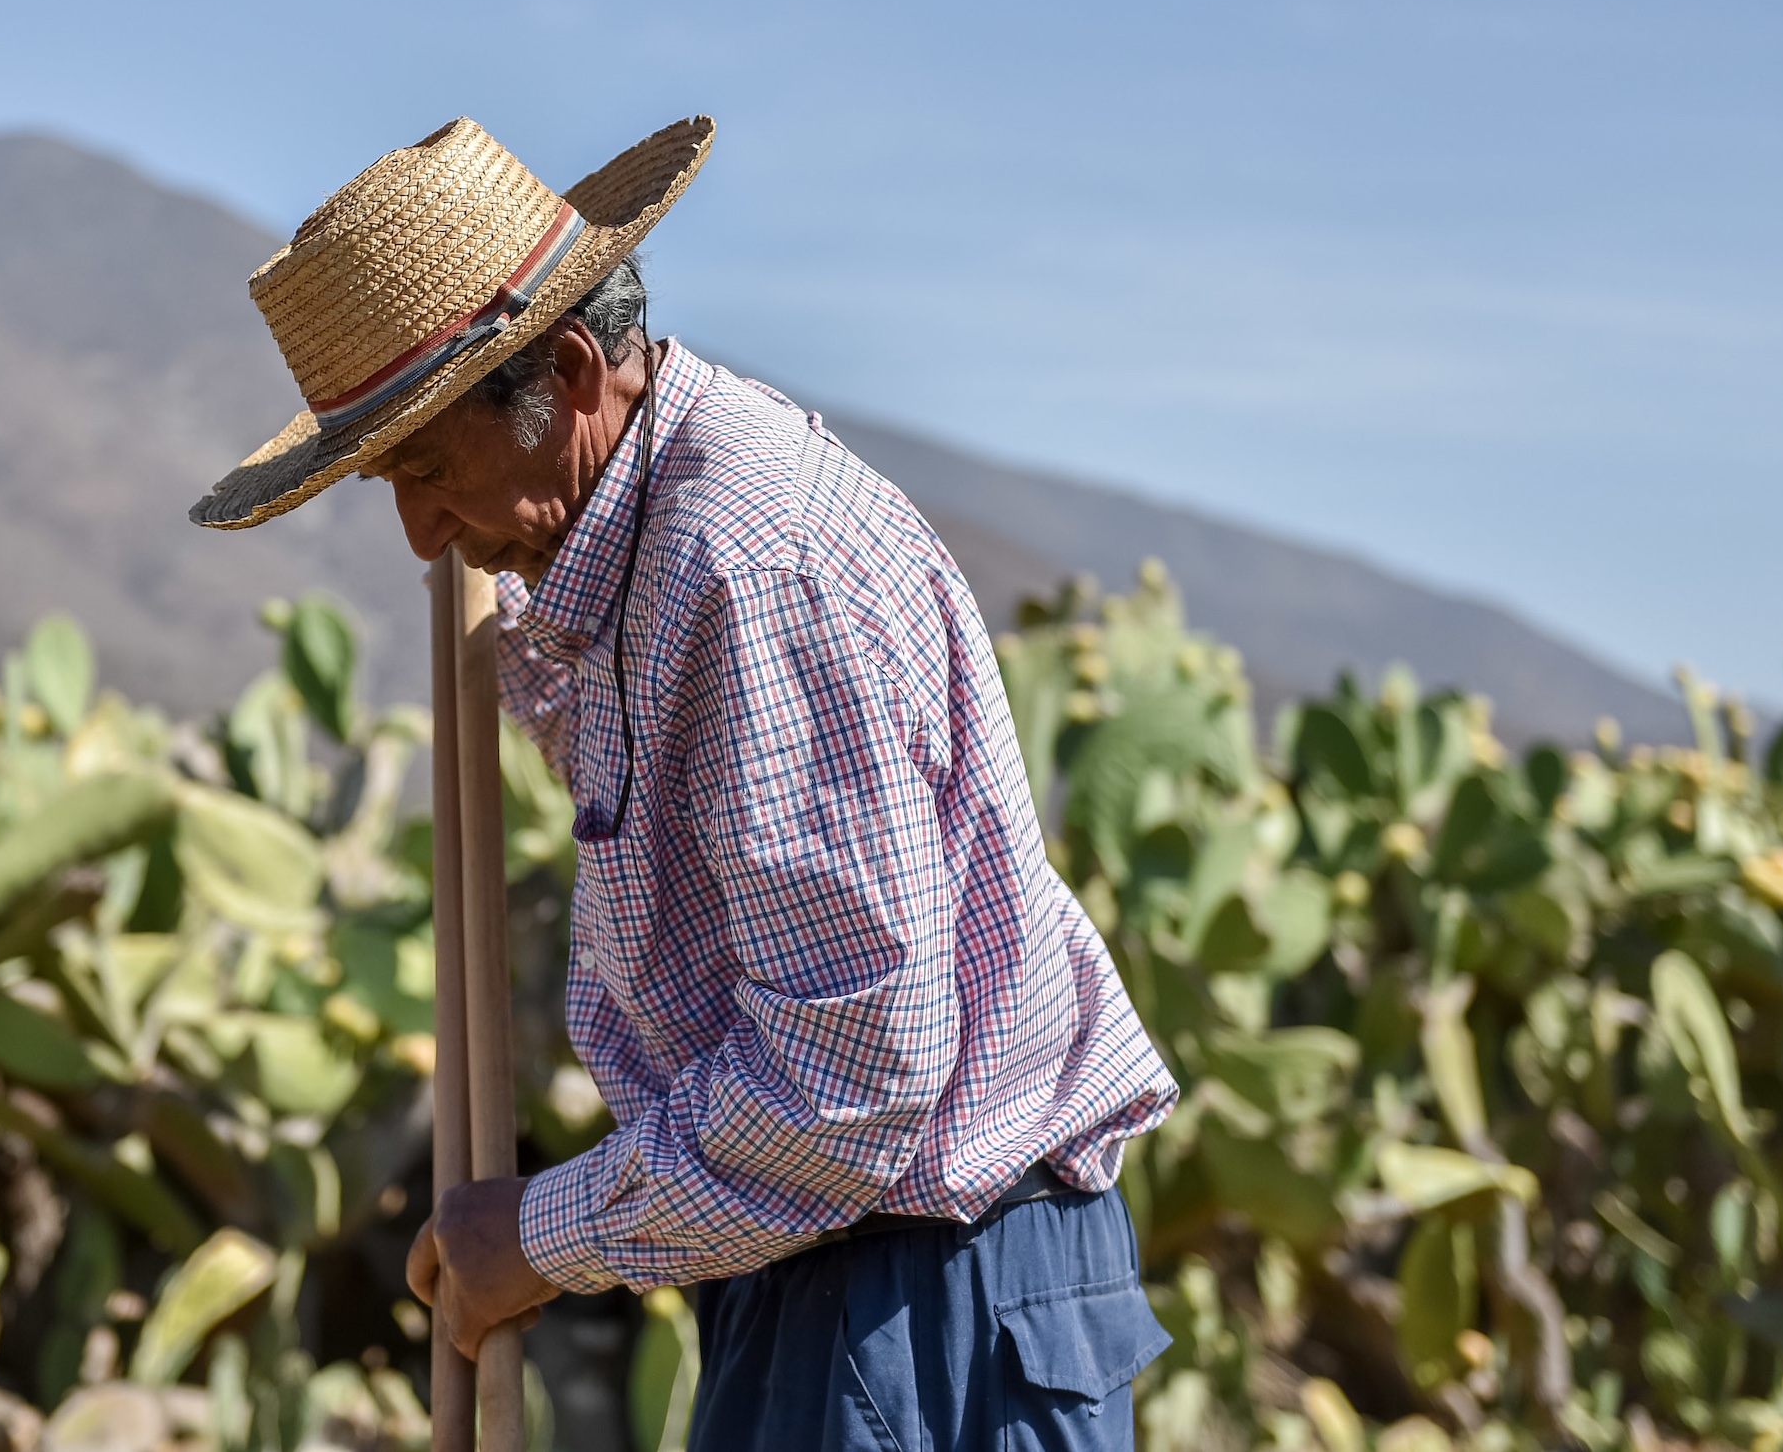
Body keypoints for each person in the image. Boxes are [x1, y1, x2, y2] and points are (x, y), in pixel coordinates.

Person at [191, 116, 1179, 1451]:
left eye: (428, 469)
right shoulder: (650, 534)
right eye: (388, 480)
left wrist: (541, 1237)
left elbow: (855, 1076)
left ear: (577, 372)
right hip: (849, 1269)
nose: (422, 534)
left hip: (915, 1291)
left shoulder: (746, 572)